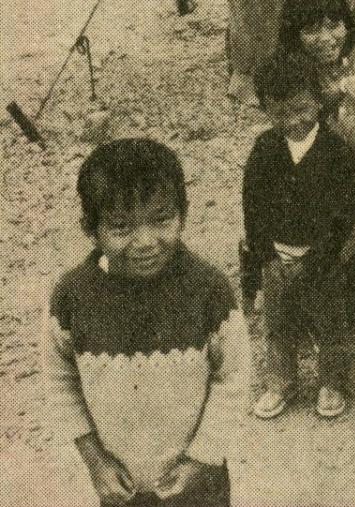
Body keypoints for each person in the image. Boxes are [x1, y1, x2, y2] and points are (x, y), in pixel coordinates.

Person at [43, 138, 249, 507]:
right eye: (121, 228)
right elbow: (61, 382)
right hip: (120, 489)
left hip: (198, 483)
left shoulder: (209, 290)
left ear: (182, 214)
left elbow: (232, 377)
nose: (146, 241)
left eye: (161, 219)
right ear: (90, 229)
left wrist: (202, 457)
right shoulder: (71, 298)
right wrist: (95, 462)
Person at [242, 54, 355, 420]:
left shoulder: (337, 150)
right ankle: (281, 379)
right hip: (278, 256)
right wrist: (266, 254)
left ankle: (331, 381)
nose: (294, 121)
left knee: (329, 321)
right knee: (277, 322)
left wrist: (322, 256)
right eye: (281, 114)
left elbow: (346, 210)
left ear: (318, 100)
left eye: (302, 109)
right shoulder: (265, 150)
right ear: (266, 110)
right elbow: (253, 205)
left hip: (322, 256)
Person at [277, 0, 355, 184]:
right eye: (311, 30)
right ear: (294, 36)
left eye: (333, 26)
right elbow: (309, 112)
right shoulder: (291, 68)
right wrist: (342, 88)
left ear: (346, 26)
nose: (325, 38)